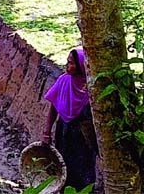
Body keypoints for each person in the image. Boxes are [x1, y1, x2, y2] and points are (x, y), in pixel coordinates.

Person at [41, 47, 97, 191]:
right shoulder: (64, 81)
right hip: (64, 133)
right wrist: (46, 133)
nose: (67, 65)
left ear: (80, 66)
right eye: (67, 62)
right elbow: (53, 107)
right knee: (64, 167)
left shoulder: (91, 89)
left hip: (83, 138)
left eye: (71, 63)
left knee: (83, 170)